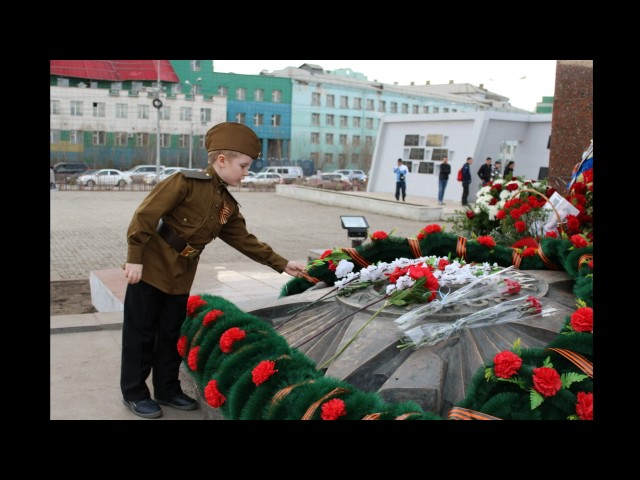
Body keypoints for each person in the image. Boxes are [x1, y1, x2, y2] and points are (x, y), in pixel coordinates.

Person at [120, 122, 307, 419]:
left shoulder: (227, 205)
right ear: (222, 161)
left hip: (181, 274)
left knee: (170, 334)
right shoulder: (184, 182)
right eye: (243, 165)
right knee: (140, 334)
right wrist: (135, 257)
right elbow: (145, 215)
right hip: (151, 267)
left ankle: (167, 389)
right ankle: (134, 392)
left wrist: (282, 263)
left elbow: (245, 240)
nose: (247, 171)